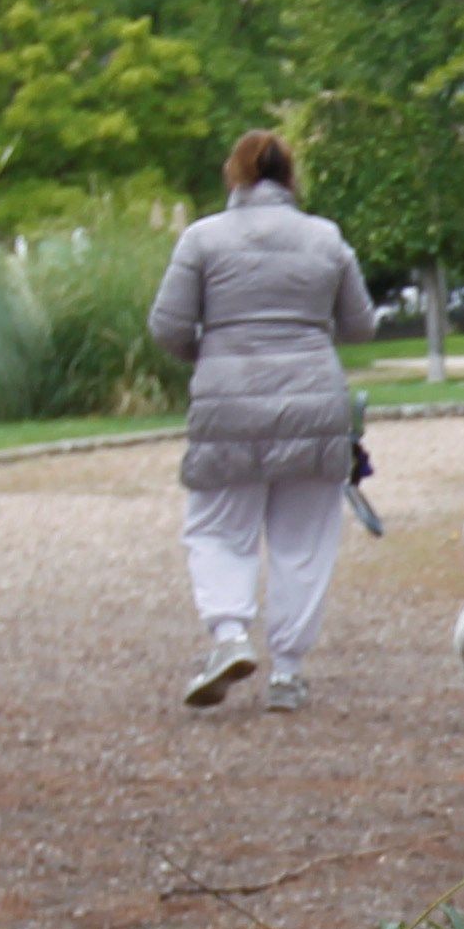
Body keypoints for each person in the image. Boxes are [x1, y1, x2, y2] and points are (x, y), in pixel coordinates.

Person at [148, 132, 376, 712]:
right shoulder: (325, 238)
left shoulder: (202, 239)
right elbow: (360, 326)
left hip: (229, 403)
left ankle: (228, 635)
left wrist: (211, 353)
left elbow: (167, 327)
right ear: (289, 176)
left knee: (218, 527)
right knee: (305, 541)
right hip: (313, 402)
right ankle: (289, 672)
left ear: (235, 175)